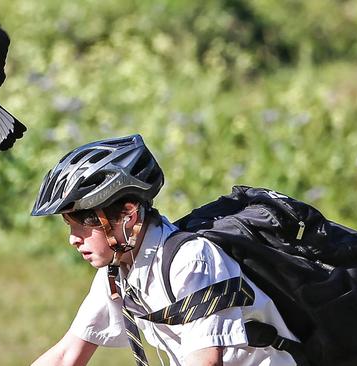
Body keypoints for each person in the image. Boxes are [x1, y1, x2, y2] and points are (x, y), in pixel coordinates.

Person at [30, 134, 299, 366]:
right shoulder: (120, 270)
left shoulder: (191, 261)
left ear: (128, 215)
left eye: (83, 226)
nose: (73, 239)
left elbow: (205, 361)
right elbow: (66, 356)